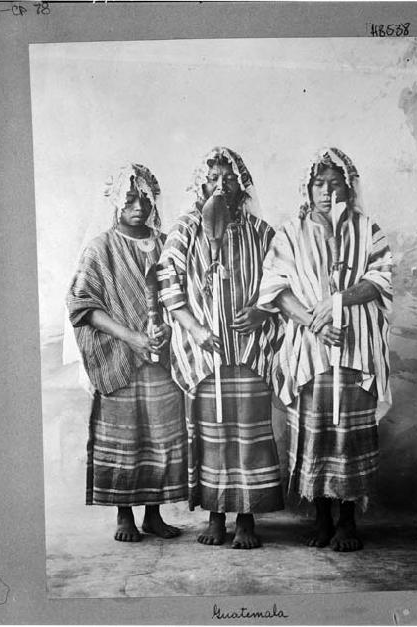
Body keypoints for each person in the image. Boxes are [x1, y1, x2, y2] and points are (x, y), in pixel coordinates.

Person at [257, 147, 393, 551]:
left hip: (355, 346)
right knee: (315, 431)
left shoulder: (367, 229)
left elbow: (380, 278)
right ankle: (320, 519)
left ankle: (348, 521)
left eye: (336, 183)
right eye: (320, 183)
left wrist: (338, 303)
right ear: (308, 187)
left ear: (348, 188)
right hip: (310, 350)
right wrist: (314, 322)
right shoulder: (289, 233)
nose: (327, 191)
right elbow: (276, 289)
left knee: (350, 434)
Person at [157, 147, 284, 549]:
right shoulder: (184, 229)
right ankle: (215, 516)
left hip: (247, 350)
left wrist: (262, 312)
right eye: (213, 178)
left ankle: (246, 518)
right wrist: (193, 327)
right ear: (201, 183)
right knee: (211, 434)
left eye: (228, 178)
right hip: (205, 354)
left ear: (241, 184)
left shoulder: (261, 232)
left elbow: (280, 279)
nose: (220, 185)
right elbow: (167, 281)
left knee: (248, 432)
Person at [67, 163, 187, 542]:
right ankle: (124, 515)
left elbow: (184, 297)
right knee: (123, 437)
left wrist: (168, 328)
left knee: (161, 435)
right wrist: (131, 337)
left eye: (145, 199)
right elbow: (83, 304)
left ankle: (153, 513)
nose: (138, 206)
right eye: (129, 199)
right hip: (118, 356)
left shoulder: (170, 244)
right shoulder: (100, 248)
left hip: (161, 358)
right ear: (116, 202)